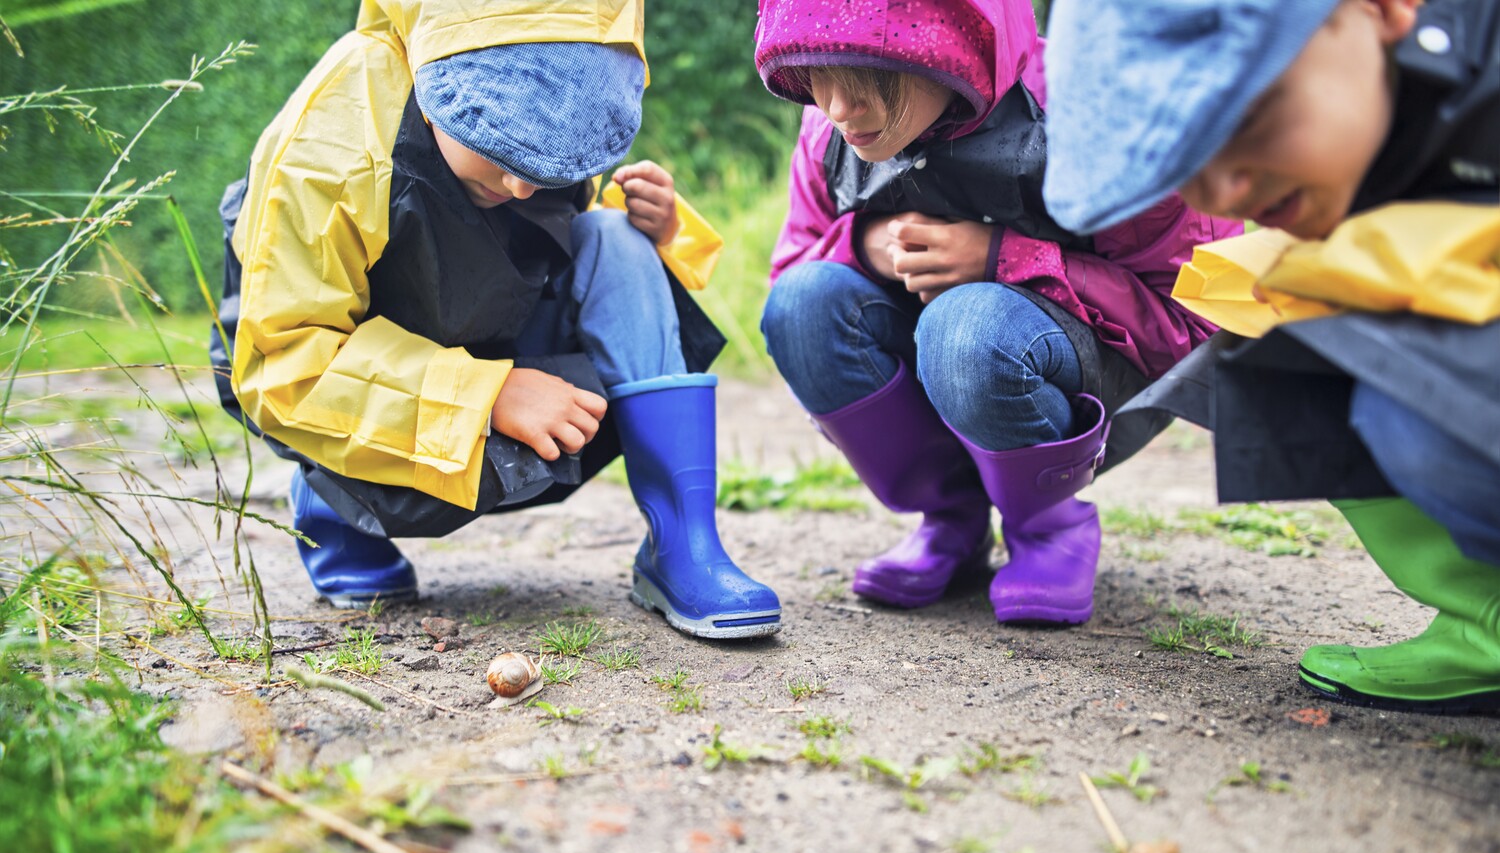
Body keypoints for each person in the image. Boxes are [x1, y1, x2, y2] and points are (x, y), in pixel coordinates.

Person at [208, 0, 781, 640]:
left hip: (485, 329)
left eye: (550, 157)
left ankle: (683, 543)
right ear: (432, 83)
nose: (520, 185)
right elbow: (289, 361)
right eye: (497, 140)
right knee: (351, 439)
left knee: (615, 236)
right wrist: (486, 393)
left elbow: (553, 242)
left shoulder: (557, 95)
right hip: (357, 389)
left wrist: (664, 231)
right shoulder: (332, 144)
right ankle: (333, 506)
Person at [1043, 0, 1500, 710]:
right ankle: (1488, 627)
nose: (1223, 190)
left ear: (1383, 11)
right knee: (1296, 356)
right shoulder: (1366, 112)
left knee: (1403, 384)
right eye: (1186, 159)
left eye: (1251, 120)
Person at [753, 0, 1235, 625]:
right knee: (801, 305)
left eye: (872, 77)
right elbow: (792, 272)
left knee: (967, 327)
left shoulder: (1098, 116)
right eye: (818, 74)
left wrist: (1005, 258)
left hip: (1089, 381)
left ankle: (1047, 526)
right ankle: (952, 519)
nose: (840, 108)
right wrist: (869, 245)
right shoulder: (828, 132)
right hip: (948, 361)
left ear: (949, 48)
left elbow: (1198, 327)